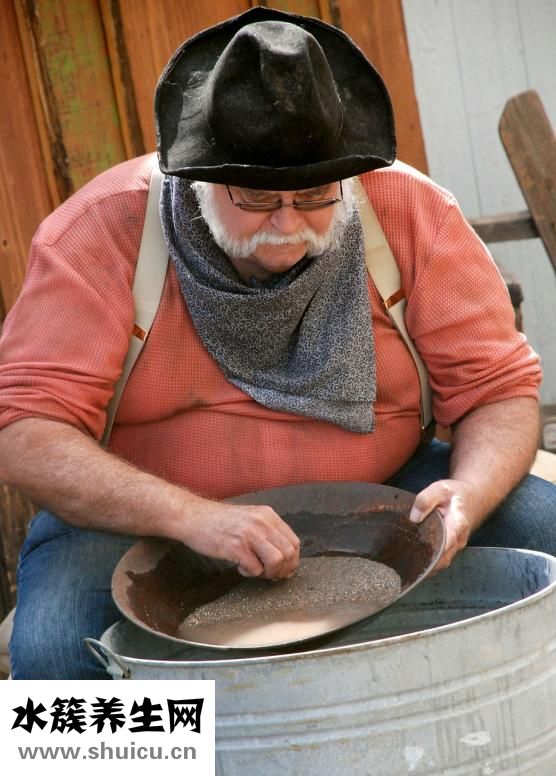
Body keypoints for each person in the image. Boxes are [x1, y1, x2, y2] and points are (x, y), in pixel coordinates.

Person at [0, 6, 553, 680]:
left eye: (316, 195)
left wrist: (468, 492)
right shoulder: (100, 231)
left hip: (381, 493)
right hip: (147, 519)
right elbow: (24, 431)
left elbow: (497, 390)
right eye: (258, 199)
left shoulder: (410, 212)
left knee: (545, 525)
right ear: (198, 178)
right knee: (51, 651)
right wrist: (191, 517)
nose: (288, 225)